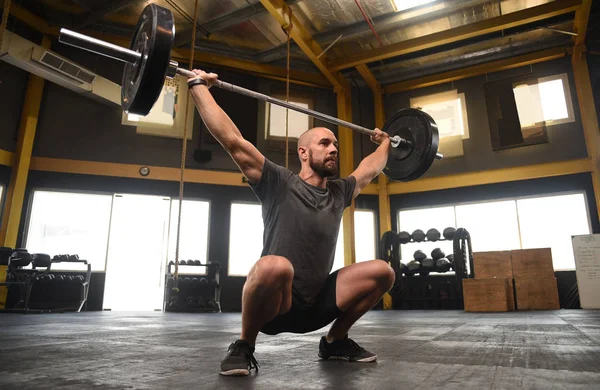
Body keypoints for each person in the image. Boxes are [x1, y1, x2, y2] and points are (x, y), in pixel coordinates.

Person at [187, 70, 396, 376]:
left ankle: (335, 340)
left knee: (383, 272)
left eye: (335, 144)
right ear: (303, 152)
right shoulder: (279, 183)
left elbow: (369, 169)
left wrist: (386, 143)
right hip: (275, 308)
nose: (334, 149)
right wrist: (198, 87)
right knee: (275, 266)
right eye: (325, 143)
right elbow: (233, 141)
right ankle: (244, 345)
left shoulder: (339, 192)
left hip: (317, 305)